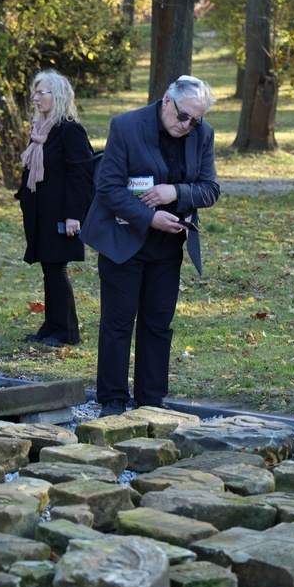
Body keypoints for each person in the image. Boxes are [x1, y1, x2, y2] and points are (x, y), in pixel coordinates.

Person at [80, 74, 220, 417]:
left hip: (168, 244)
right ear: (167, 101)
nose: (187, 125)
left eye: (196, 119)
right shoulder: (127, 126)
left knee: (158, 321)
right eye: (183, 116)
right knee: (118, 321)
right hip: (122, 240)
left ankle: (151, 399)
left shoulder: (202, 134)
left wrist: (177, 192)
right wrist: (149, 217)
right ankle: (112, 399)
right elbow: (108, 188)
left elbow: (210, 188)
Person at [17, 70, 94, 347]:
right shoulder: (42, 129)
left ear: (58, 95)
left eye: (42, 93)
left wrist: (74, 215)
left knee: (56, 269)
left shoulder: (69, 129)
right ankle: (51, 326)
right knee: (49, 268)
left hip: (61, 214)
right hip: (42, 212)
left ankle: (66, 332)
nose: (35, 98)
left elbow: (81, 175)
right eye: (35, 93)